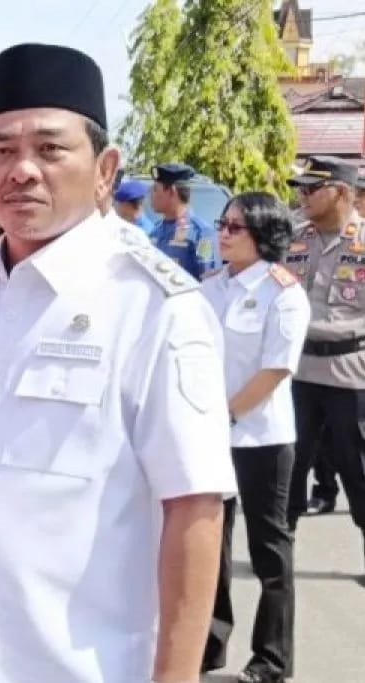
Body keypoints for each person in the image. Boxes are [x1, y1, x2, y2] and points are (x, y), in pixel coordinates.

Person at [0, 43, 236, 683]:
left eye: (50, 149)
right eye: (1, 150)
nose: (22, 170)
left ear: (105, 169)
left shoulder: (156, 308)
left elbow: (194, 509)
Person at [199, 192, 309, 683]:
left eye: (235, 227)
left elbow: (276, 369)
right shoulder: (210, 286)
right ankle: (209, 643)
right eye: (222, 224)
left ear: (263, 235)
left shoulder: (282, 292)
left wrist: (227, 414)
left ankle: (271, 660)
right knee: (210, 545)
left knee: (270, 550)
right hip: (210, 434)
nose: (223, 233)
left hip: (262, 437)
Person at [281, 156, 365, 567]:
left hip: (352, 375)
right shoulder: (295, 237)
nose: (303, 195)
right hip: (299, 372)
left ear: (342, 192)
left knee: (359, 471)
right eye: (302, 188)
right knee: (289, 468)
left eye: (313, 188)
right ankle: (278, 559)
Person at [149, 162, 221, 279]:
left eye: (155, 189)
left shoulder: (201, 234)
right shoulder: (156, 230)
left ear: (172, 191)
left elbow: (208, 280)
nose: (151, 194)